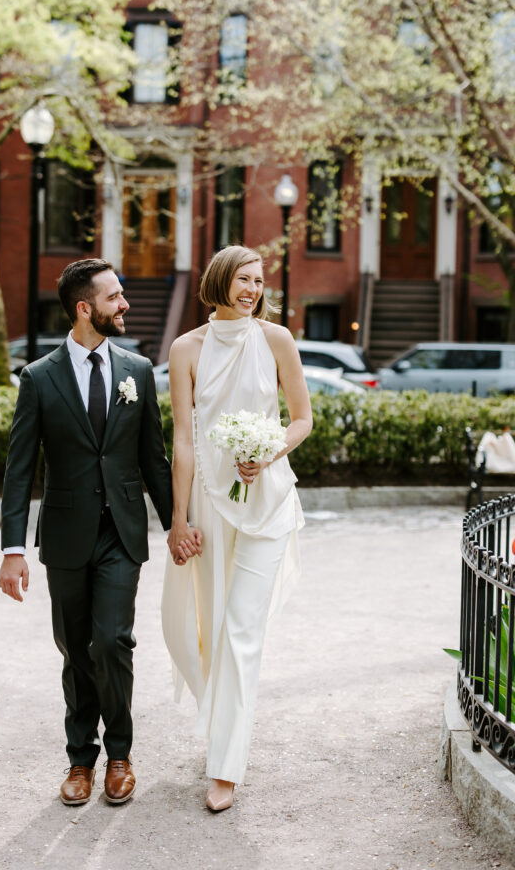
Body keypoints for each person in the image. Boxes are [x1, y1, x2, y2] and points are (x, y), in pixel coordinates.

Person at [0, 258, 173, 807]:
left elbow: (154, 459)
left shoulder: (139, 371)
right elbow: (19, 467)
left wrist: (178, 526)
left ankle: (119, 754)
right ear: (84, 308)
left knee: (112, 641)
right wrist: (12, 549)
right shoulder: (39, 377)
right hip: (68, 535)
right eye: (114, 297)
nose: (124, 305)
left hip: (122, 532)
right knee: (76, 649)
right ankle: (80, 760)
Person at [162, 245, 312, 812]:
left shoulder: (277, 341)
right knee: (213, 627)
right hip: (207, 505)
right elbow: (182, 437)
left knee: (244, 629)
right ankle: (220, 720)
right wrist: (178, 519)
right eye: (243, 279)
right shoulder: (185, 349)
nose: (252, 289)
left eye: (258, 281)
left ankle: (224, 768)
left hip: (268, 502)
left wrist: (268, 451)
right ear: (219, 280)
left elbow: (302, 418)